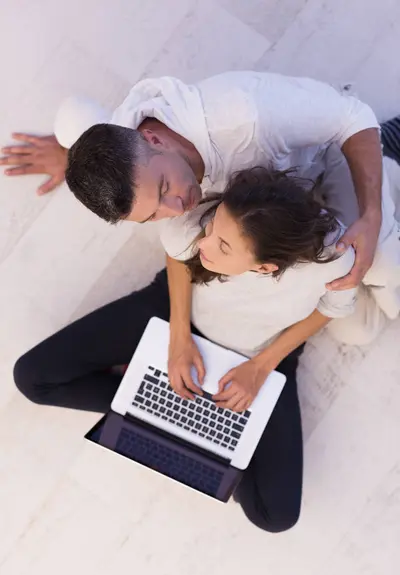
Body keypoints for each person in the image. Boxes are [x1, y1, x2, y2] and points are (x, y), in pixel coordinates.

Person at [14, 167, 357, 533]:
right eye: (211, 229)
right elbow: (179, 256)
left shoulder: (334, 259)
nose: (204, 244)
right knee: (33, 379)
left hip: (262, 354)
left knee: (276, 516)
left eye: (223, 246)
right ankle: (163, 406)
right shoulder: (208, 216)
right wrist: (179, 337)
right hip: (178, 311)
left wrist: (260, 367)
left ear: (265, 267)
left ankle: (190, 418)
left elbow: (331, 308)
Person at [1, 72, 399, 342]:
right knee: (353, 326)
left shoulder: (247, 115)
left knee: (382, 263)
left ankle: (390, 150)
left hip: (322, 161)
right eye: (153, 213)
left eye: (164, 187)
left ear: (153, 139)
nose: (177, 207)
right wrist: (71, 155)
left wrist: (371, 215)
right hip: (271, 207)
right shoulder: (125, 151)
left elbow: (352, 118)